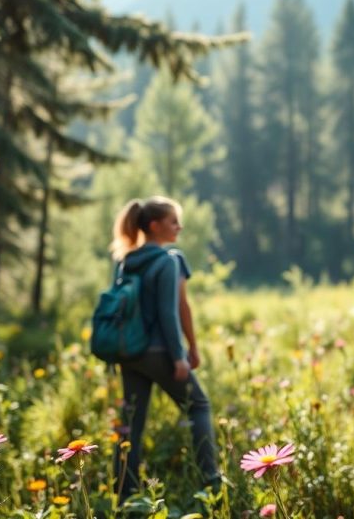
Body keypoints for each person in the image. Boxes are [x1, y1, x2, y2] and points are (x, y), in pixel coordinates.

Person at [108, 196, 220, 498]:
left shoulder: (125, 261)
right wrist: (180, 357)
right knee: (199, 406)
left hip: (129, 353)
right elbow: (169, 313)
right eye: (174, 222)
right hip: (160, 352)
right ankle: (211, 482)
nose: (179, 227)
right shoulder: (166, 261)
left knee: (131, 425)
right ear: (155, 226)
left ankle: (124, 495)